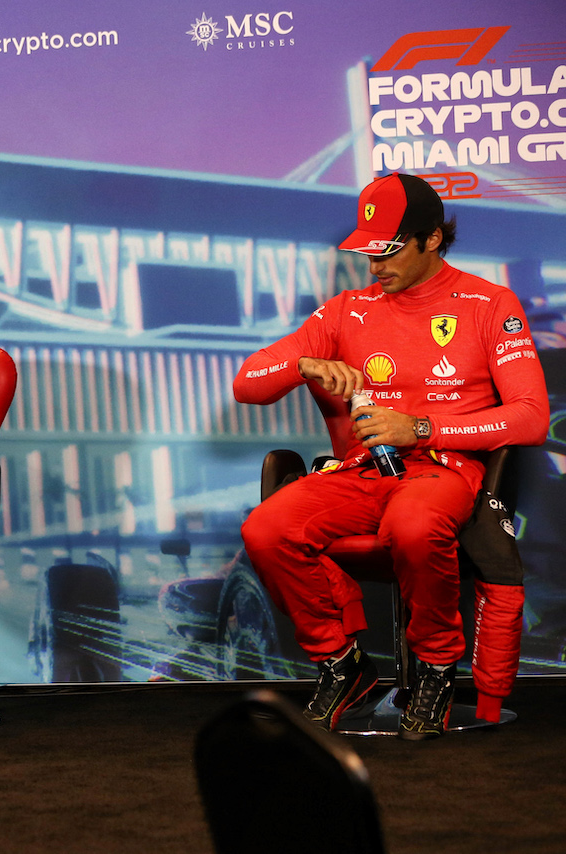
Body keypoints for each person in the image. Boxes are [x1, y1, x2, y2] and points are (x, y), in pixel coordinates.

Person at [234, 173, 548, 740]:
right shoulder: (345, 311)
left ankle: (434, 667)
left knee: (413, 523)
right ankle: (342, 664)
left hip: (442, 470)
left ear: (432, 239)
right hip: (360, 473)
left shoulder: (487, 303)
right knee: (266, 527)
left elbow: (531, 415)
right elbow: (247, 384)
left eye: (389, 250)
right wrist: (301, 364)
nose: (375, 265)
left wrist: (420, 428)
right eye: (367, 251)